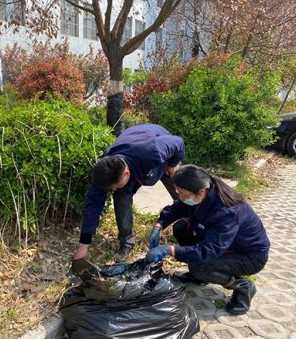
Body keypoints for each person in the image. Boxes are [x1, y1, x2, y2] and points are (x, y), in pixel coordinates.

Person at [145, 164, 270, 315]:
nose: (179, 196)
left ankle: (242, 286)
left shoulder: (227, 212)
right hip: (223, 244)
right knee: (181, 228)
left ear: (200, 192)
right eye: (178, 191)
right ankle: (199, 277)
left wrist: (169, 250)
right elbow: (177, 208)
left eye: (182, 193)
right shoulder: (202, 193)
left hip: (249, 256)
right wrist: (159, 225)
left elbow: (209, 250)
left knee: (200, 266)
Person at [73, 123, 185, 262]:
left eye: (115, 186)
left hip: (160, 157)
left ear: (126, 173)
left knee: (182, 190)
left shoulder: (153, 151)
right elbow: (92, 208)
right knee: (121, 196)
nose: (112, 190)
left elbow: (178, 142)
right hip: (133, 153)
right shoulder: (105, 170)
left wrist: (173, 164)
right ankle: (126, 242)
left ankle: (193, 227)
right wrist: (83, 248)